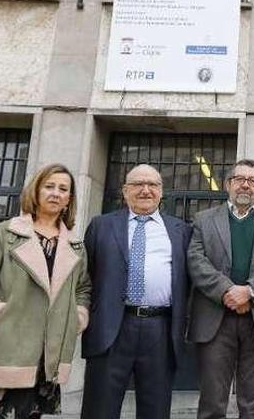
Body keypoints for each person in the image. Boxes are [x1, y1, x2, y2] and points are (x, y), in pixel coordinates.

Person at [0, 163, 91, 418]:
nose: (56, 193)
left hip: (46, 355)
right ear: (36, 190)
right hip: (5, 344)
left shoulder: (76, 245)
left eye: (63, 189)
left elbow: (83, 287)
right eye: (49, 186)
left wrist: (79, 314)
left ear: (69, 199)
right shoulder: (6, 233)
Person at [80, 164, 192, 419]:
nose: (145, 190)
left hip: (160, 330)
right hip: (111, 329)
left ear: (161, 191)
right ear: (125, 190)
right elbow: (85, 277)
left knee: (155, 410)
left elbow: (189, 282)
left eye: (152, 185)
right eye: (138, 184)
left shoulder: (181, 230)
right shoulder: (101, 226)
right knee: (100, 409)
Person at [187, 158, 254, 419]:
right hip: (215, 319)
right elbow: (195, 261)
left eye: (252, 181)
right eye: (239, 179)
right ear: (227, 184)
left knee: (253, 405)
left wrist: (250, 291)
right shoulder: (203, 219)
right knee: (212, 402)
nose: (245, 185)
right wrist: (227, 291)